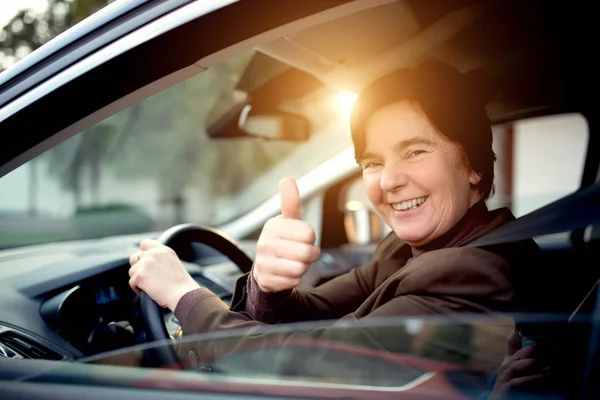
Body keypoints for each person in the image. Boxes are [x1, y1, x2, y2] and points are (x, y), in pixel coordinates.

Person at [127, 61, 543, 362]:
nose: (389, 181)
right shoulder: (405, 250)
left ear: (472, 166)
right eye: (373, 162)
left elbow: (302, 362)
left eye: (415, 152)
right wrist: (268, 288)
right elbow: (315, 311)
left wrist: (184, 295)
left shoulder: (471, 276)